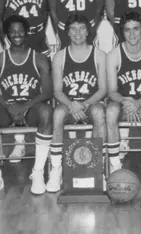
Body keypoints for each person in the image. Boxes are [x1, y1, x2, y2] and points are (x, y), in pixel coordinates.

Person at [0, 15, 54, 198]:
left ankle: (37, 172)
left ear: (26, 32)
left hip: (30, 108)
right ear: (6, 35)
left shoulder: (40, 59)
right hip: (6, 109)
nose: (17, 34)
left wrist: (25, 106)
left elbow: (47, 92)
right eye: (12, 31)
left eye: (20, 30)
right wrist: (11, 107)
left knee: (46, 112)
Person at [45, 13, 108, 193]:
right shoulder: (59, 57)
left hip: (91, 104)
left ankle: (98, 168)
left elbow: (103, 89)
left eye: (81, 28)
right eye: (73, 29)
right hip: (69, 104)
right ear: (67, 32)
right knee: (57, 114)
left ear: (88, 31)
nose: (77, 33)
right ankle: (56, 170)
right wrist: (72, 104)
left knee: (98, 113)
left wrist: (84, 104)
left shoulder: (99, 55)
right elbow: (57, 91)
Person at [106, 11, 141, 190]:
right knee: (110, 111)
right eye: (127, 30)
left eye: (136, 29)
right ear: (122, 33)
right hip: (124, 104)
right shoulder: (114, 54)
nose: (132, 34)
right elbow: (111, 92)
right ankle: (115, 165)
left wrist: (139, 103)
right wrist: (126, 102)